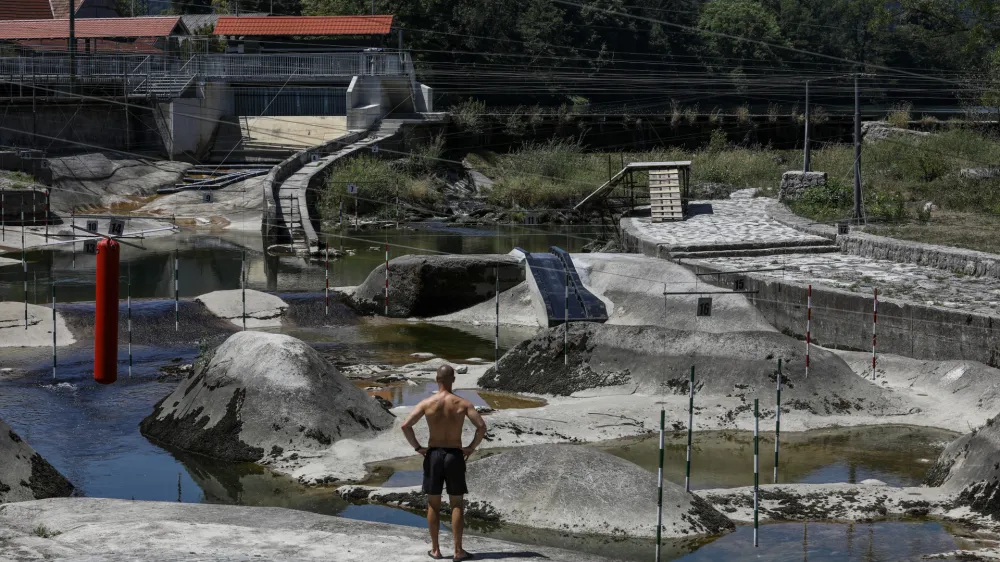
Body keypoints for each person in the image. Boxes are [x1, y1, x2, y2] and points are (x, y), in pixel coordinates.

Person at [401, 364, 488, 561]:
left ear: (436, 380)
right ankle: (458, 551)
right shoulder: (463, 403)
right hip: (454, 456)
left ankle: (436, 550)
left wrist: (418, 447)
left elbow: (405, 425)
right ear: (453, 380)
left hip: (434, 456)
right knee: (456, 503)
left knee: (433, 504)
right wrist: (471, 448)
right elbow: (481, 427)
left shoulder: (427, 403)